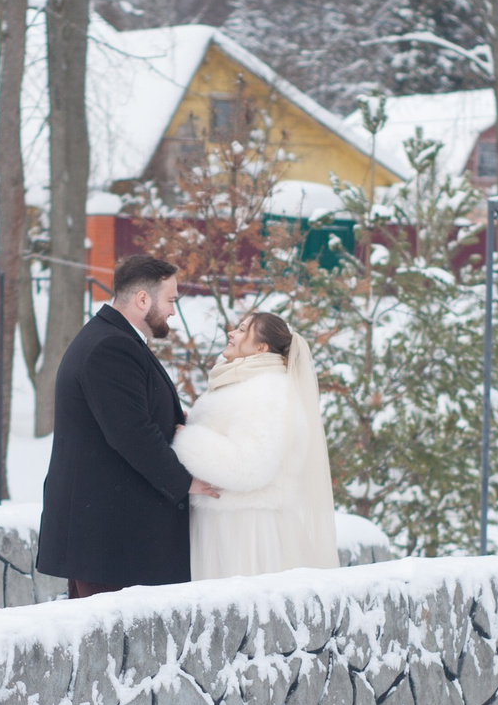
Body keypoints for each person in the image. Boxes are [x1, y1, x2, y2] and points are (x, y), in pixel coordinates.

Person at [37, 253, 217, 597]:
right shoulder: (111, 347)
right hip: (108, 539)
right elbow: (132, 433)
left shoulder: (111, 338)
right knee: (113, 647)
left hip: (108, 540)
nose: (172, 312)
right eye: (170, 301)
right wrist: (185, 482)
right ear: (142, 299)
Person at [171, 310, 340, 578]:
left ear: (261, 347)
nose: (231, 333)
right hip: (225, 526)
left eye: (241, 329)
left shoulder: (267, 392)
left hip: (245, 532)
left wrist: (186, 440)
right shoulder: (242, 384)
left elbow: (249, 467)